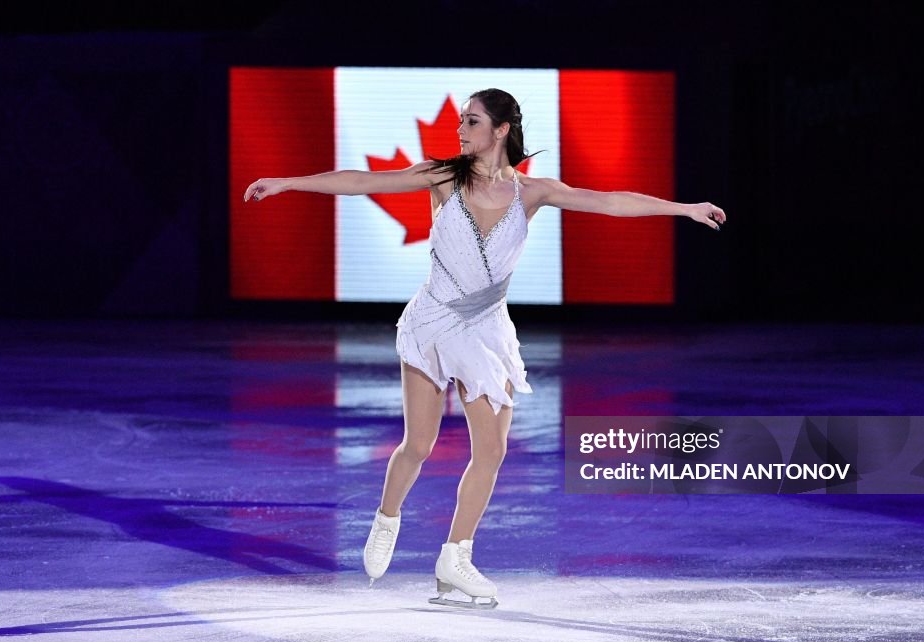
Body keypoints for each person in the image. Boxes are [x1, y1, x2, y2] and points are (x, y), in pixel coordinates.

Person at [244, 88, 726, 608]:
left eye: (471, 121)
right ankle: (387, 518)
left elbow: (609, 202)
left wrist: (685, 208)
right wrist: (288, 182)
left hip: (486, 330)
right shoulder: (443, 176)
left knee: (491, 450)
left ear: (500, 130)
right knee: (419, 445)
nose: (460, 129)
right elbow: (362, 181)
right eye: (460, 121)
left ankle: (455, 558)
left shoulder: (533, 192)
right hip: (433, 322)